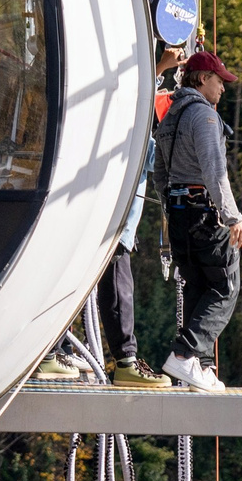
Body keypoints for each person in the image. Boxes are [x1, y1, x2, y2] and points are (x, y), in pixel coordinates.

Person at [91, 44, 187, 389]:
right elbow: (148, 150)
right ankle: (126, 362)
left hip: (109, 218)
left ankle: (58, 351)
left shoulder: (127, 121)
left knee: (108, 286)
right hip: (113, 221)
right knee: (118, 287)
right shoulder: (131, 129)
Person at [154, 47, 242, 392]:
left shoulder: (170, 117)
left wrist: (172, 207)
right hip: (206, 213)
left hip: (179, 216)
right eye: (220, 81)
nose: (223, 88)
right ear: (204, 79)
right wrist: (232, 217)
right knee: (225, 287)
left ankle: (201, 367)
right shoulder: (204, 117)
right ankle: (184, 356)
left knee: (198, 286)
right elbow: (215, 171)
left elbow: (160, 171)